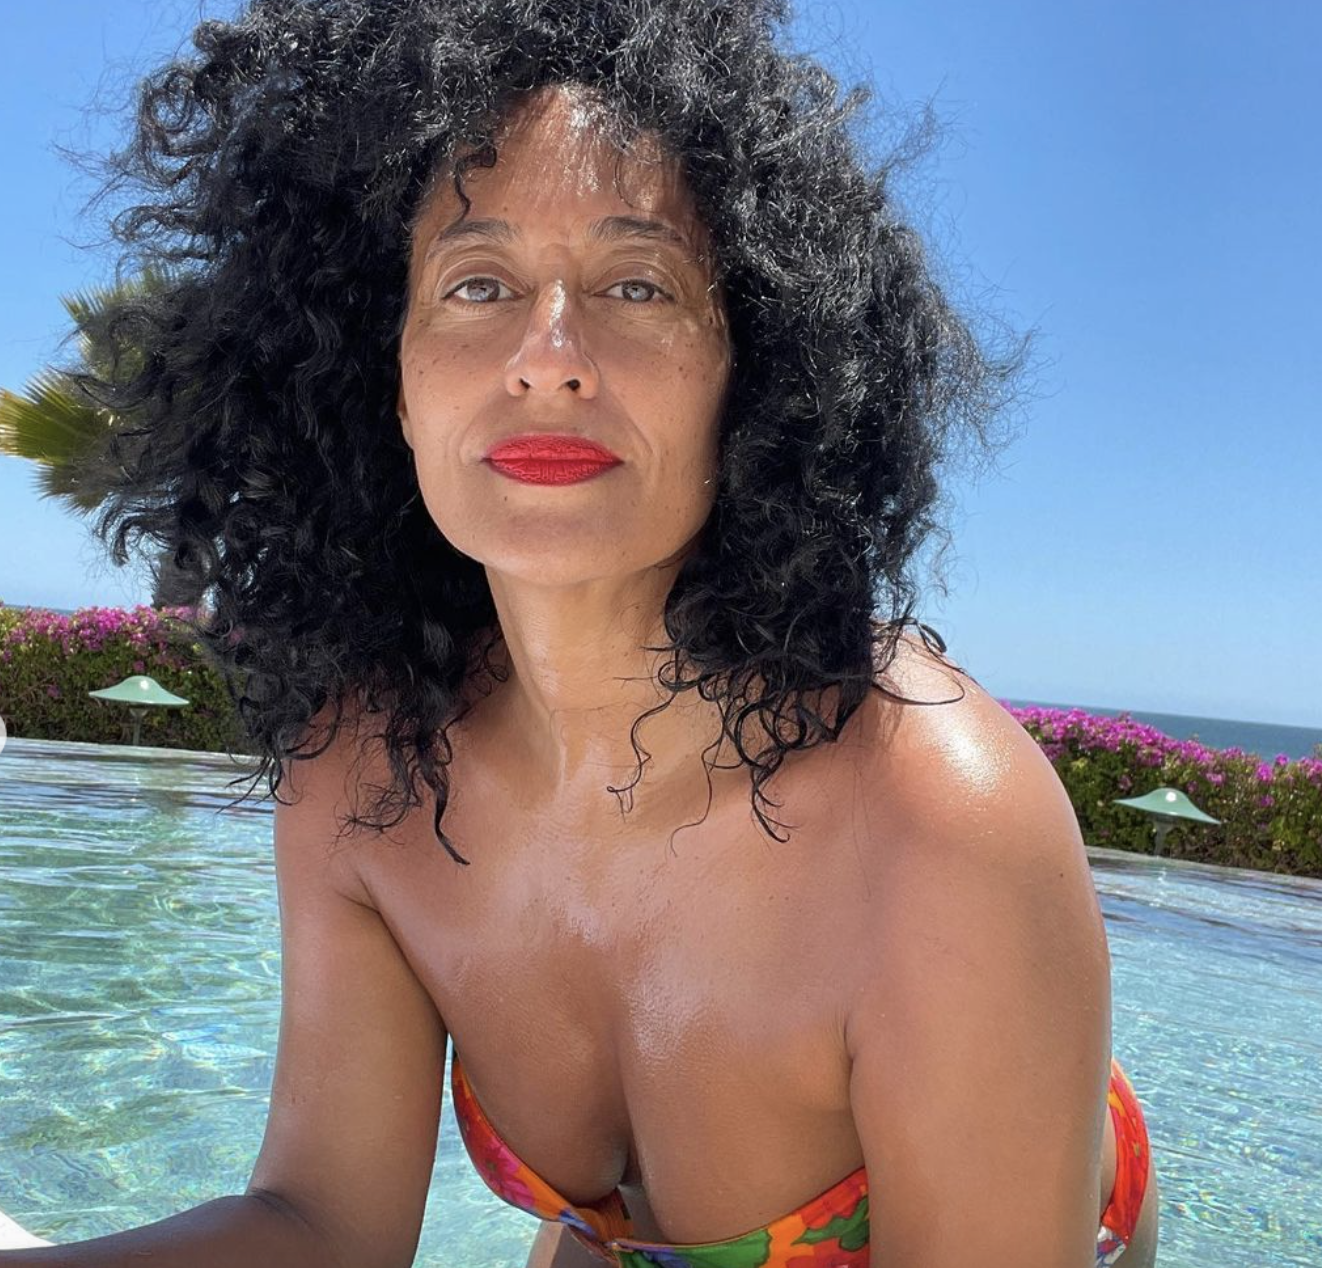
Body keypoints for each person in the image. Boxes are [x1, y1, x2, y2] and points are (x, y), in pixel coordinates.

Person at [1, 0, 1160, 1264]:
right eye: (476, 283)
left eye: (636, 283)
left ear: (750, 367)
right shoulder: (365, 771)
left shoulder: (930, 819)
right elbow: (323, 1222)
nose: (546, 357)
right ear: (389, 381)